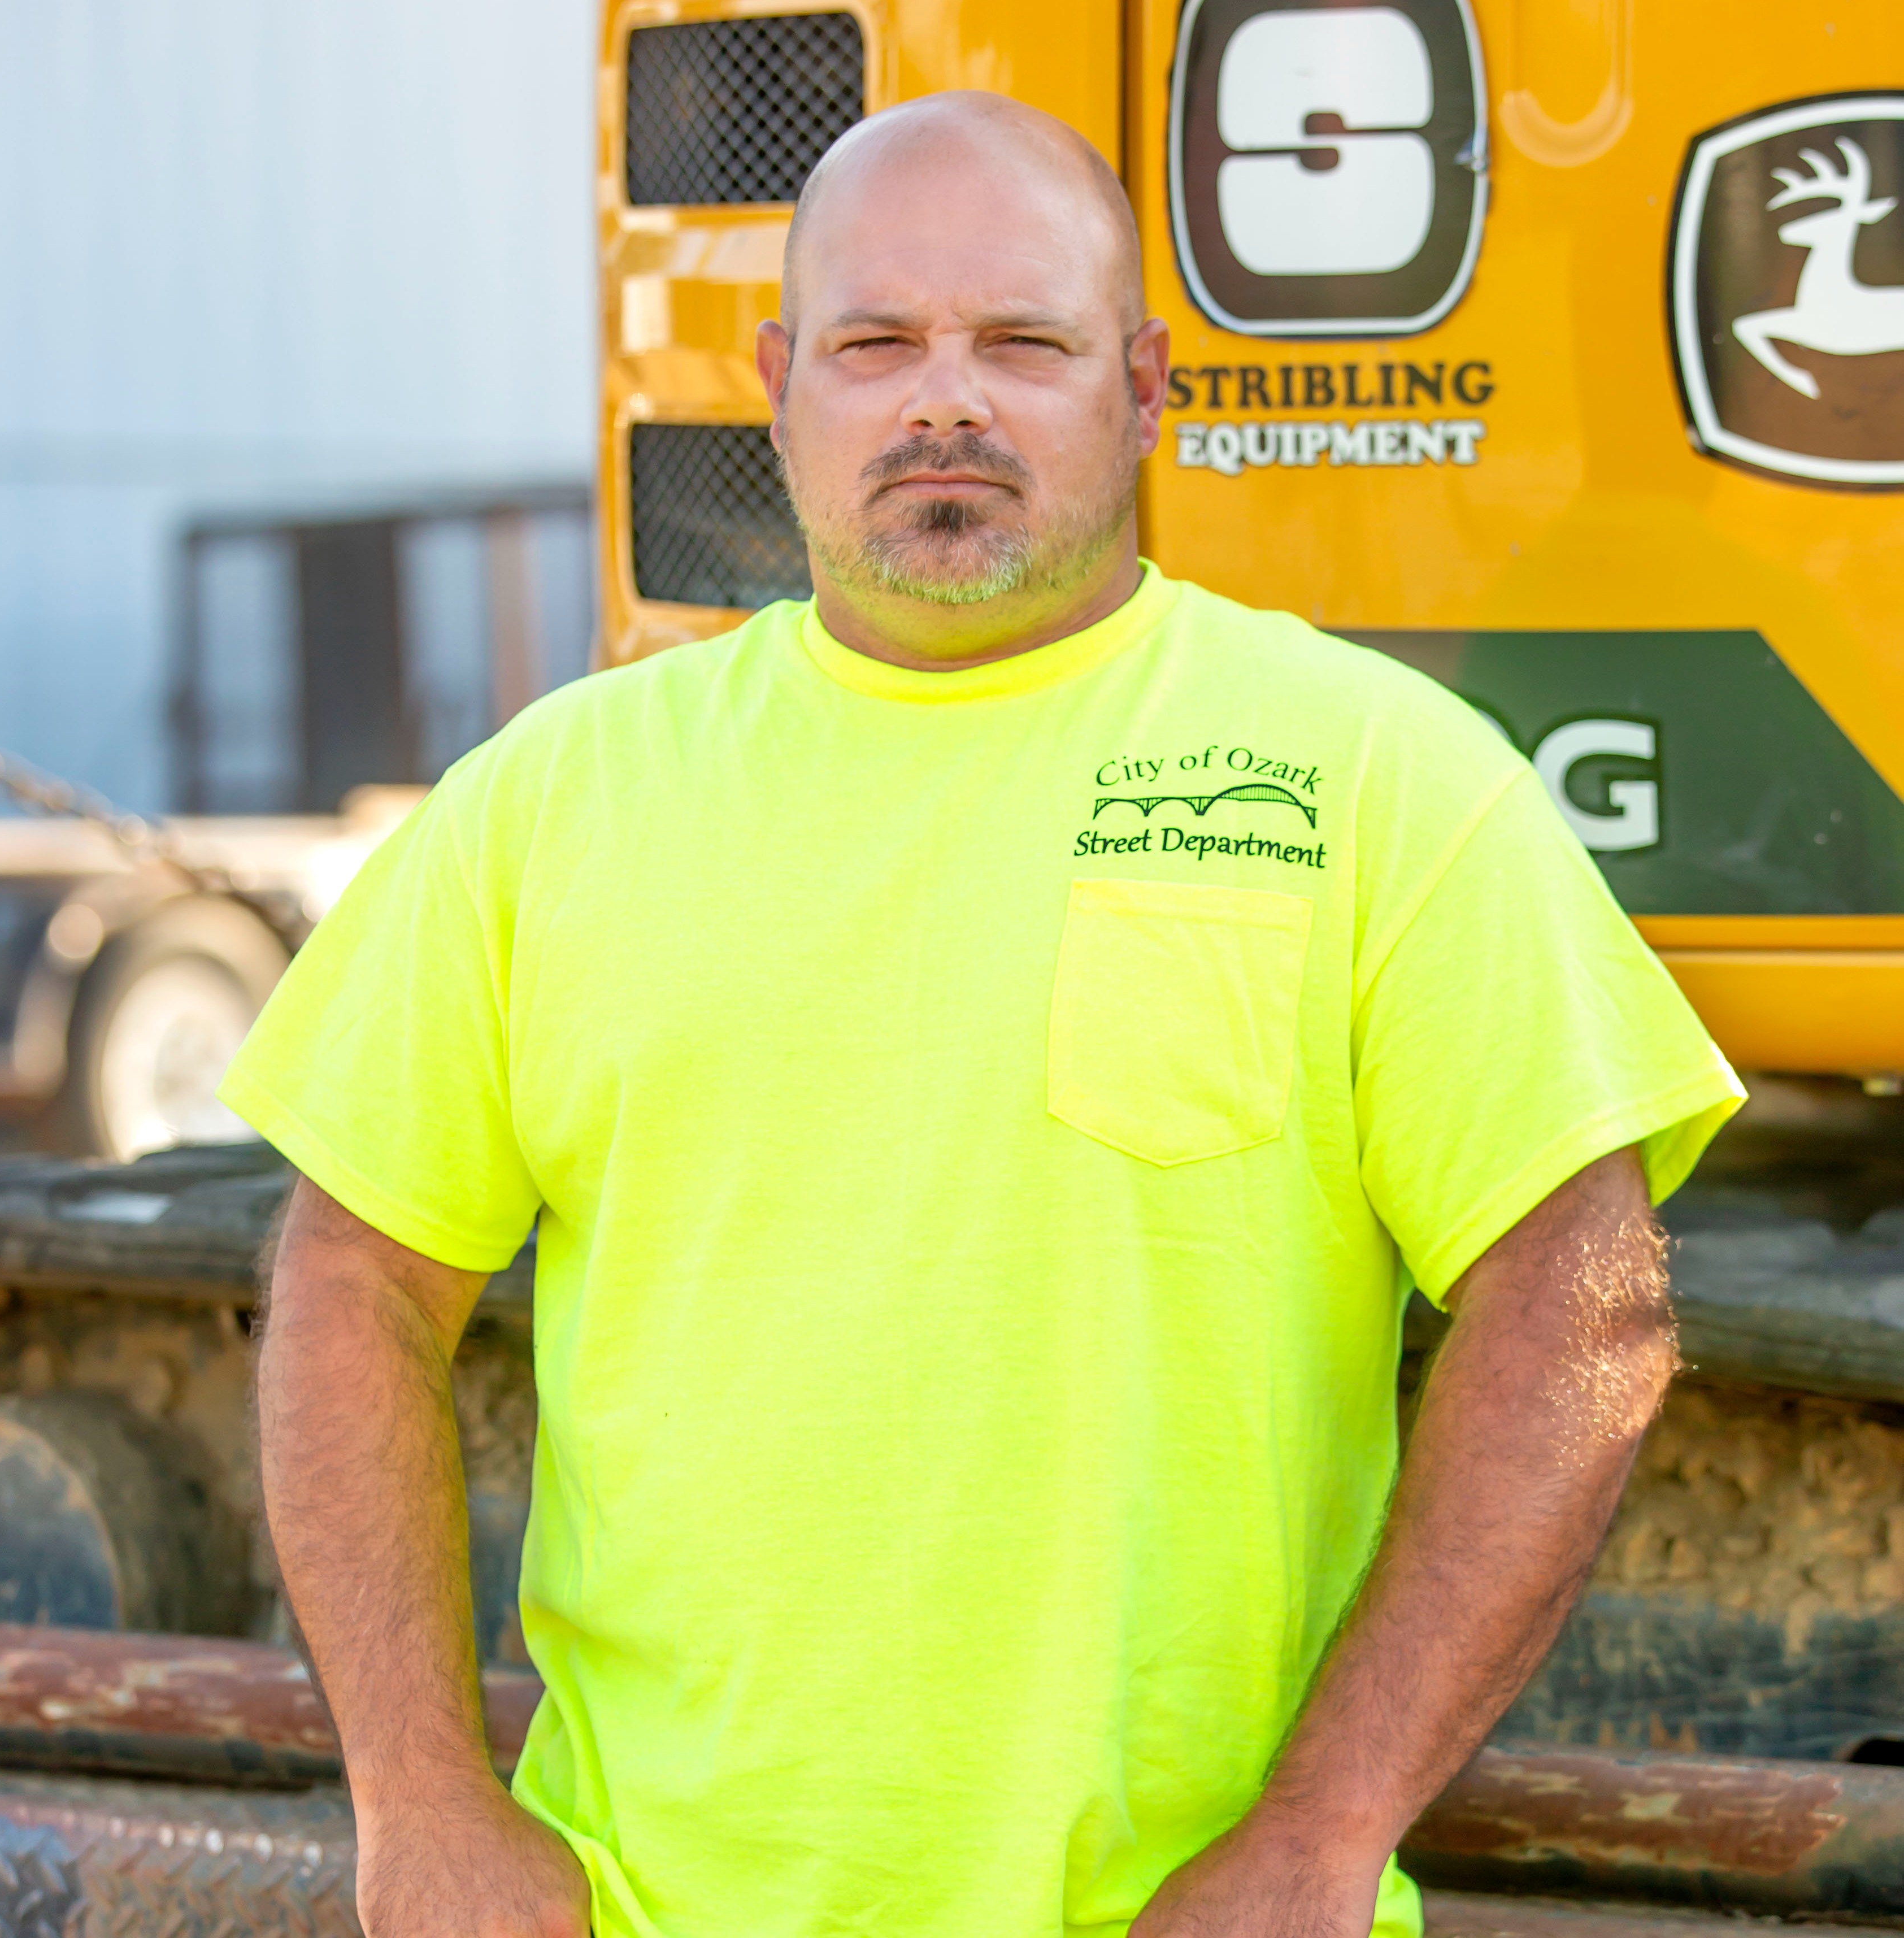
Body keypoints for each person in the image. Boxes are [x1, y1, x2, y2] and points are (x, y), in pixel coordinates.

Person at [225, 90, 1742, 1938]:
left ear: (1147, 382)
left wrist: (1321, 1835)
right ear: (781, 383)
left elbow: (1583, 1299)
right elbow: (353, 1283)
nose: (946, 400)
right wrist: (417, 1799)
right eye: (878, 344)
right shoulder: (551, 806)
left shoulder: (1381, 781)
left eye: (1022, 342)